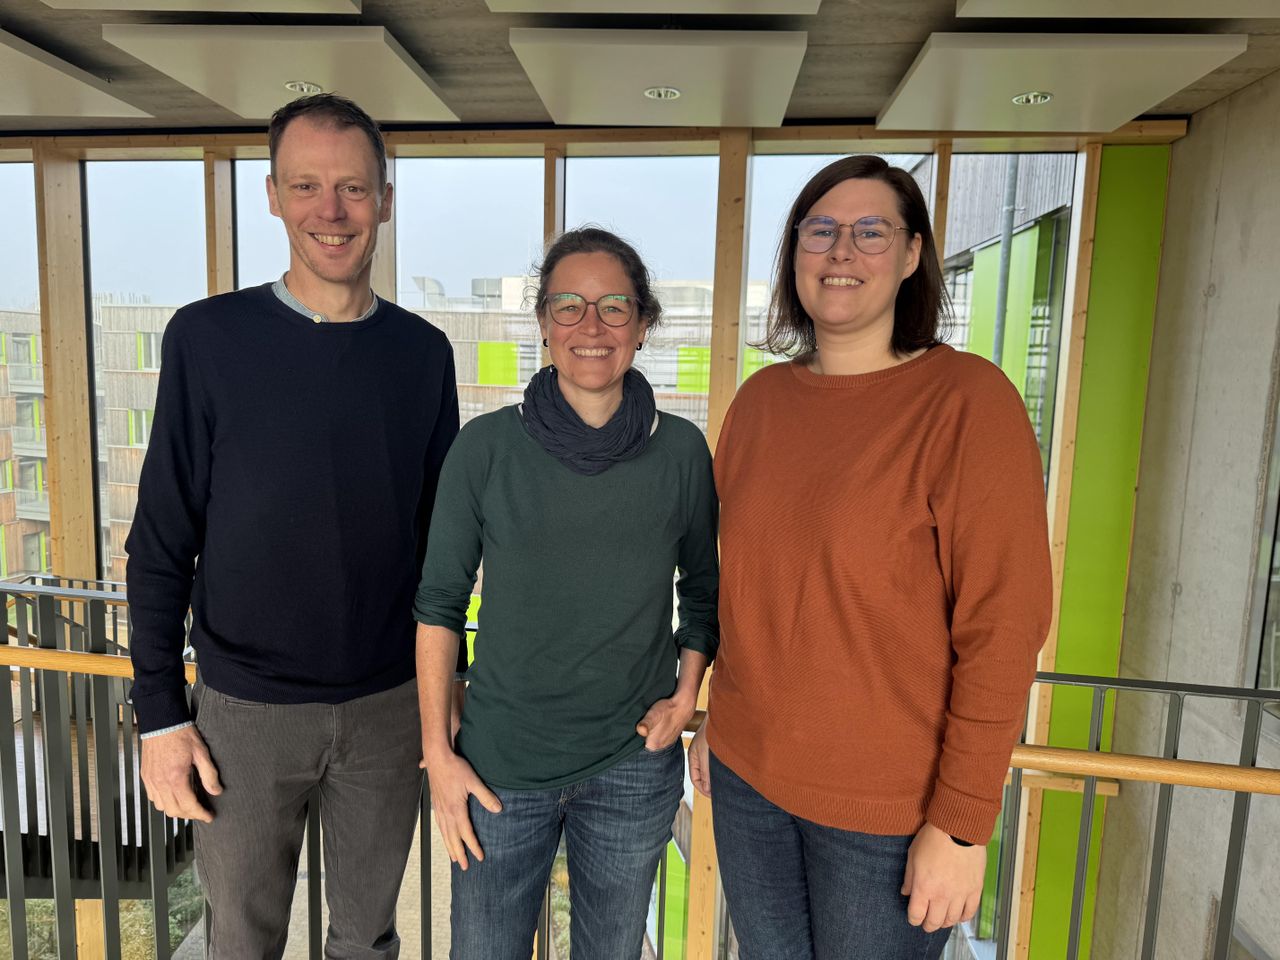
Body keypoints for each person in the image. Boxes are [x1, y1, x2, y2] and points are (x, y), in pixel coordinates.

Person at [688, 155, 1052, 959]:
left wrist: (963, 824)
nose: (841, 251)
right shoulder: (760, 404)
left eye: (870, 231)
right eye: (820, 230)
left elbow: (1004, 626)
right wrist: (719, 716)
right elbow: (747, 588)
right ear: (795, 253)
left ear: (913, 253)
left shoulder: (968, 403)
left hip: (887, 816)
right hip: (748, 782)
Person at [126, 93, 459, 958]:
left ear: (385, 199)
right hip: (243, 713)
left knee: (367, 940)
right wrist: (158, 715)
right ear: (272, 196)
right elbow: (161, 539)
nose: (331, 211)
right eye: (306, 185)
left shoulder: (423, 355)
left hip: (388, 707)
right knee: (241, 941)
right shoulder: (208, 339)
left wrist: (444, 688)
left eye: (353, 188)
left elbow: (441, 551)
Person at [414, 227, 718, 960]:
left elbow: (705, 594)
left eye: (614, 306)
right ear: (543, 322)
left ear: (642, 325)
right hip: (497, 767)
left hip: (631, 765)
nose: (592, 325)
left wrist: (686, 697)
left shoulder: (681, 451)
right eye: (569, 305)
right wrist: (438, 756)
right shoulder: (485, 448)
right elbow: (438, 605)